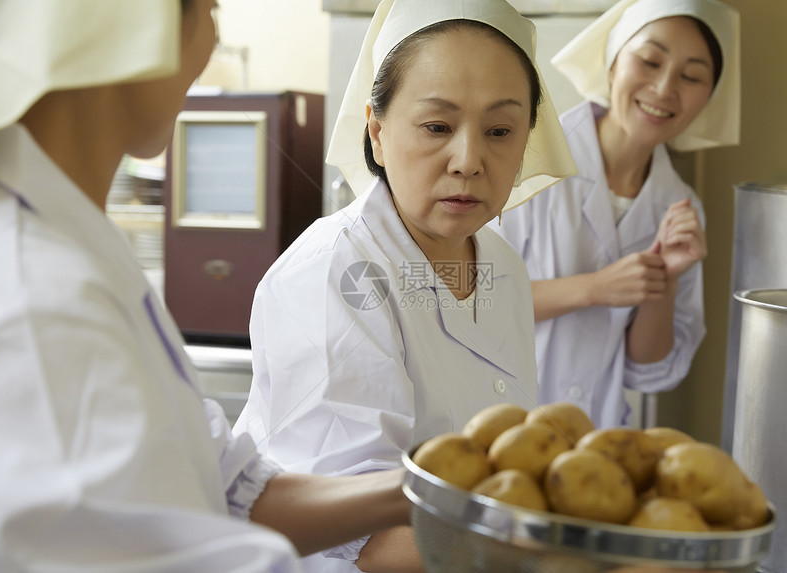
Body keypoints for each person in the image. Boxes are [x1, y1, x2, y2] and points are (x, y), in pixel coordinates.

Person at [0, 1, 413, 571]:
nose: (211, 44)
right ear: (139, 25)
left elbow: (228, 494)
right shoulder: (42, 299)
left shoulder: (78, 246)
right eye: (209, 9)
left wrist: (435, 488)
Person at [231, 0, 577, 570]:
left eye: (500, 130)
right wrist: (569, 542)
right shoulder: (334, 272)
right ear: (377, 127)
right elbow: (355, 537)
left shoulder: (501, 264)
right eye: (437, 126)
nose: (468, 160)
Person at [490, 0, 740, 429]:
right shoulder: (531, 161)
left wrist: (665, 280)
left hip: (598, 440)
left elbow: (647, 367)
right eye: (649, 60)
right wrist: (594, 288)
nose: (664, 88)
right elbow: (472, 299)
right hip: (497, 423)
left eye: (692, 76)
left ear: (709, 96)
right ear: (612, 63)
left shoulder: (679, 206)